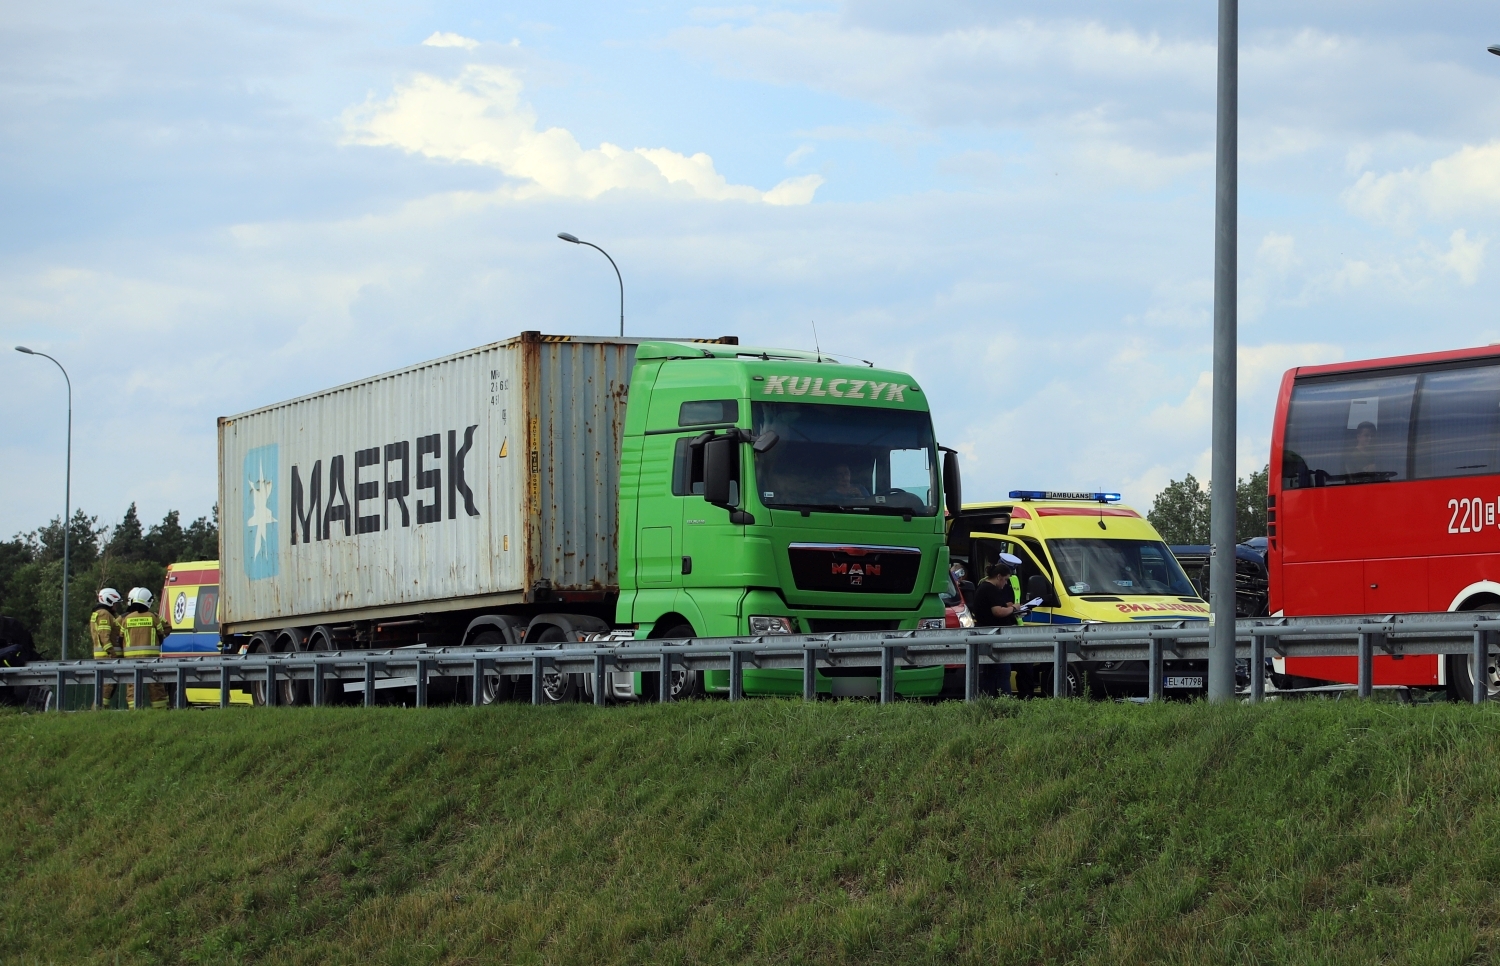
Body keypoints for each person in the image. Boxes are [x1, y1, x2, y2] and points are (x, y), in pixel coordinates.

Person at [120, 586, 171, 709]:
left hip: (130, 659)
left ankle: (135, 710)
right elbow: (162, 633)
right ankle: (160, 710)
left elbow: (120, 637)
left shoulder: (126, 618)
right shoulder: (153, 616)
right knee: (155, 683)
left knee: (132, 685)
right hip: (151, 658)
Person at [89, 587, 124, 708]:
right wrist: (112, 653)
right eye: (115, 603)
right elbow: (105, 636)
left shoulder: (100, 613)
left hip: (103, 657)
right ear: (109, 601)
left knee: (107, 687)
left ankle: (100, 709)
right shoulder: (104, 614)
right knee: (107, 687)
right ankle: (99, 711)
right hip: (107, 657)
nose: (116, 607)